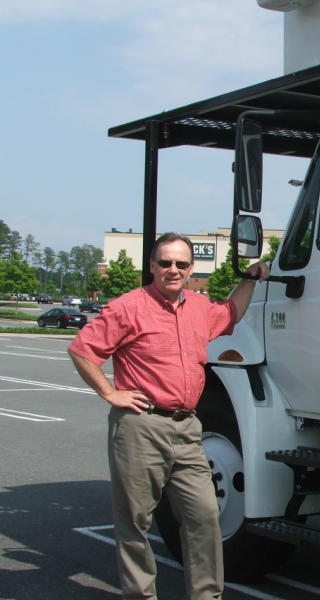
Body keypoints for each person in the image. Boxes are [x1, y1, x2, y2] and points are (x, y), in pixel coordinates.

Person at [68, 232, 269, 600]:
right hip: (141, 427)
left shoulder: (199, 306)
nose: (173, 269)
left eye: (181, 263)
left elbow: (231, 314)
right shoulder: (128, 307)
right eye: (165, 263)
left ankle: (206, 596)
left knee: (204, 516)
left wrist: (250, 279)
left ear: (191, 269)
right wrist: (110, 392)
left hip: (188, 428)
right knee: (135, 522)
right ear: (152, 266)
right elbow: (82, 350)